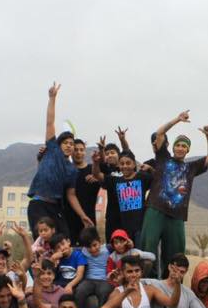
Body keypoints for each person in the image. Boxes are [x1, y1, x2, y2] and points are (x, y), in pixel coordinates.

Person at [139, 111, 208, 276]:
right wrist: (177, 120)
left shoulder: (191, 168)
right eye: (178, 145)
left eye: (184, 146)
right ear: (173, 147)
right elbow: (159, 133)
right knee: (148, 250)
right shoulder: (163, 158)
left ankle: (171, 286)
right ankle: (146, 283)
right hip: (156, 209)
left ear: (187, 150)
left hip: (177, 215)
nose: (180, 148)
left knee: (175, 256)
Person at [26, 82, 93, 238]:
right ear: (59, 144)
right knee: (43, 242)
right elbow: (50, 122)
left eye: (72, 144)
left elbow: (71, 195)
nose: (69, 146)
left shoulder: (72, 170)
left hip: (55, 207)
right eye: (66, 143)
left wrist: (83, 215)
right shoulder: (52, 150)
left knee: (64, 239)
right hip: (38, 204)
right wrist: (52, 98)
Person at [93, 146, 152, 243]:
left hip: (140, 227)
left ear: (134, 164)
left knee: (140, 251)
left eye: (128, 163)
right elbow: (97, 175)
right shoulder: (115, 180)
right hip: (124, 228)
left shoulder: (142, 177)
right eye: (122, 164)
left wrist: (150, 168)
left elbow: (157, 179)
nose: (125, 166)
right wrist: (95, 162)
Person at [63, 138, 102, 245]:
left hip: (89, 218)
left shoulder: (93, 170)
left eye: (81, 150)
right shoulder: (67, 170)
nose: (78, 152)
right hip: (69, 219)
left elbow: (105, 180)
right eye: (76, 150)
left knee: (91, 250)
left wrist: (97, 177)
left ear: (85, 151)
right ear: (71, 152)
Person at [74, 226, 114, 308]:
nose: (92, 249)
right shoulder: (82, 251)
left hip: (104, 280)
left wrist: (129, 244)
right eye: (89, 247)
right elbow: (70, 250)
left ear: (99, 241)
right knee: (80, 290)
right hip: (89, 280)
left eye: (95, 245)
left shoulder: (108, 248)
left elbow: (120, 246)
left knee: (104, 292)